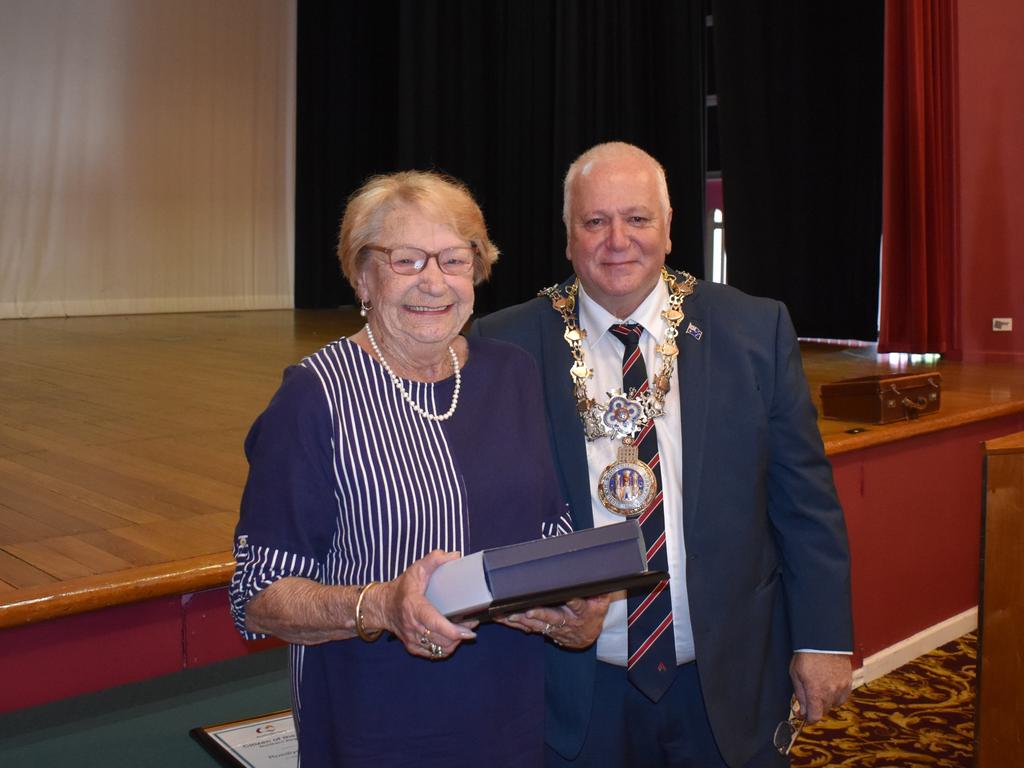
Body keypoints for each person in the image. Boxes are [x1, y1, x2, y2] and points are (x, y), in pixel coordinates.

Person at [470, 142, 854, 767]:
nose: (617, 239)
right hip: (573, 684)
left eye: (637, 218)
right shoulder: (505, 343)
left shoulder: (754, 330)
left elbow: (805, 503)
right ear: (568, 238)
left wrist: (824, 639)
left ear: (670, 230)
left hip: (724, 676)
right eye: (594, 222)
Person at [229, 170, 607, 767]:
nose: (434, 281)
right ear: (362, 275)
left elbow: (547, 525)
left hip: (508, 710)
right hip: (378, 721)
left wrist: (577, 605)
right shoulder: (314, 396)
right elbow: (257, 595)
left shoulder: (511, 373)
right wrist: (381, 606)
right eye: (406, 260)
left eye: (454, 260)